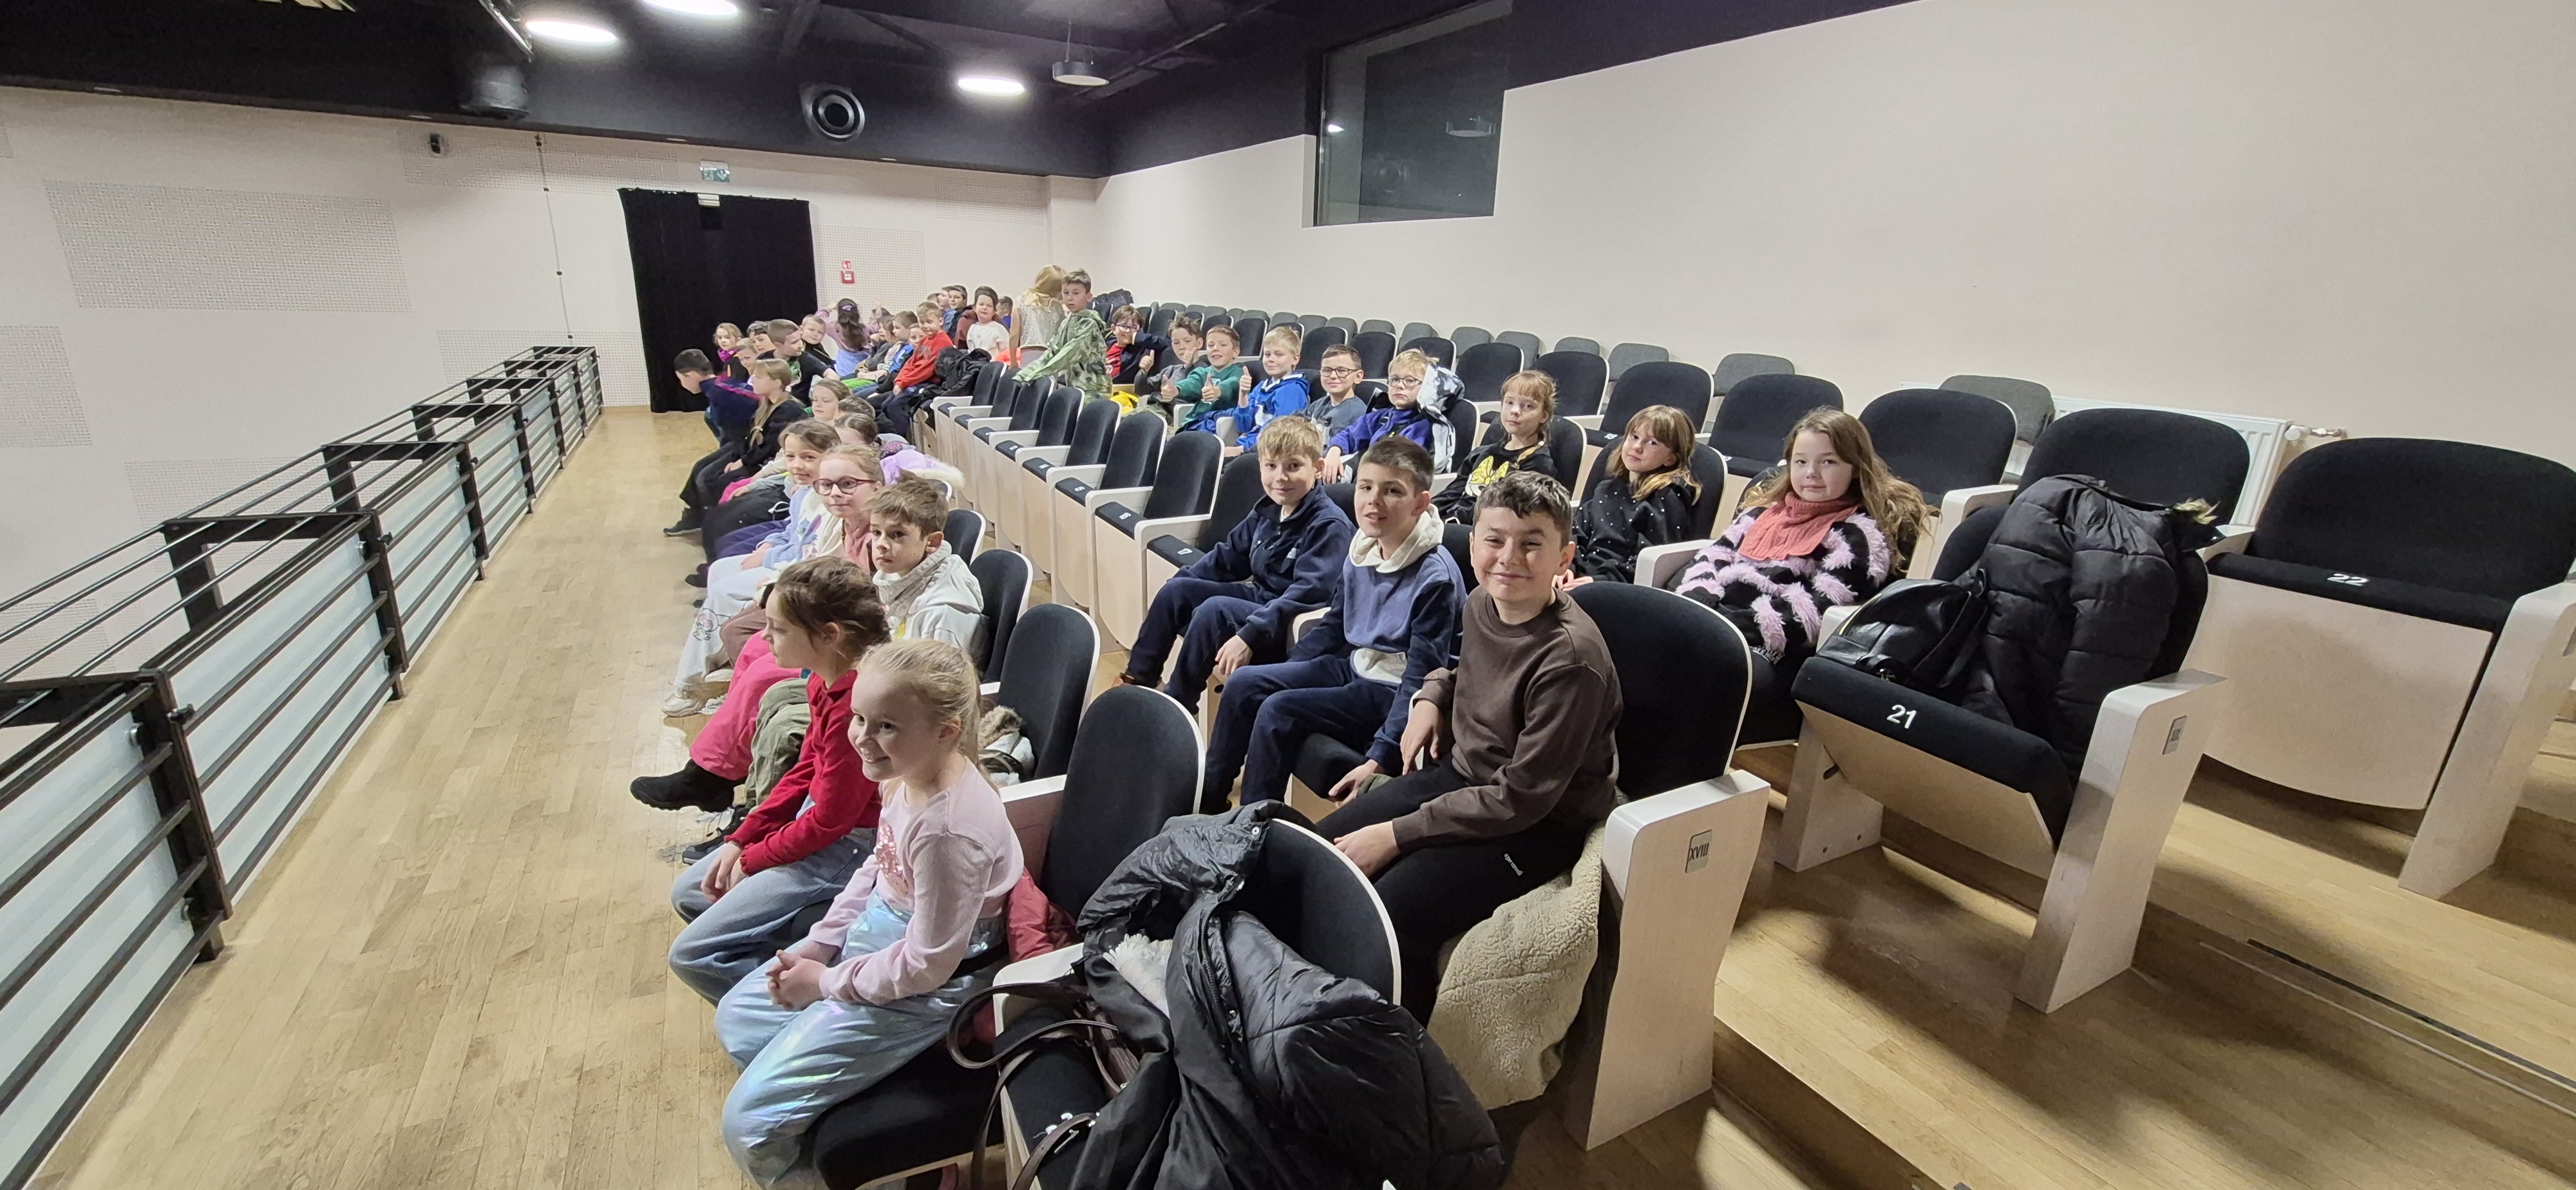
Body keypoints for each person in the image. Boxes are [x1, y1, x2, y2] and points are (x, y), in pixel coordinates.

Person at [714, 639, 1021, 1189]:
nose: (861, 736)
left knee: (749, 1125)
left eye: (886, 726)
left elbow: (927, 965)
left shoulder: (948, 832)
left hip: (931, 985)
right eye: (859, 717)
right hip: (881, 944)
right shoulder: (906, 774)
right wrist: (821, 941)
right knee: (738, 1018)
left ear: (946, 731)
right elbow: (878, 867)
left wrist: (825, 983)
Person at [1316, 470, 1618, 1022]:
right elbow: (1463, 672)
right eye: (1495, 540)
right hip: (1465, 778)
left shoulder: (1572, 661)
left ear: (1564, 557)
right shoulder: (1482, 601)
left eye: (1532, 544)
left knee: (1394, 910)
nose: (1509, 558)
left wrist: (1397, 834)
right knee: (1324, 853)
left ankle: (1397, 1050)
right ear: (1473, 543)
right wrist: (1432, 696)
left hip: (1535, 824)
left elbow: (1521, 799)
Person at [668, 556, 894, 1003]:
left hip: (851, 844)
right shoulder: (823, 681)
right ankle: (775, 980)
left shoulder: (857, 703)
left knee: (691, 955)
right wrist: (743, 838)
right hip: (822, 825)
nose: (765, 636)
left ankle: (792, 1007)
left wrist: (753, 860)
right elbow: (805, 769)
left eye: (779, 628)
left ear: (829, 635)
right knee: (690, 893)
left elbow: (832, 821)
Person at [1201, 436, 1462, 814]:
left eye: (1392, 491)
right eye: (1366, 487)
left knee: (1278, 710)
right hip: (1357, 664)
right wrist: (1288, 671)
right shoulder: (1364, 545)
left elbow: (1422, 677)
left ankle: (1251, 825)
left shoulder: (1435, 578)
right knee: (1245, 683)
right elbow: (1335, 623)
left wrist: (1381, 755)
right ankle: (1210, 802)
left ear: (1420, 503)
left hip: (1391, 687)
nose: (1373, 501)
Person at [637, 445, 885, 807]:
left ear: (877, 486)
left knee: (762, 674)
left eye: (848, 484)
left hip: (855, 646)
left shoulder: (881, 533)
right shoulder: (842, 523)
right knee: (755, 646)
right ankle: (719, 765)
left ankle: (710, 775)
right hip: (833, 626)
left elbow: (874, 606)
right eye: (827, 485)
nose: (835, 493)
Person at [1116, 416, 1351, 712]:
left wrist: (1251, 633)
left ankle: (1177, 704)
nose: (1280, 477)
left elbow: (1308, 594)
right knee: (1177, 590)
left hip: (1290, 622)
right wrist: (1181, 583)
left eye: (1294, 466)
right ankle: (1139, 679)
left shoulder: (1329, 525)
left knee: (1215, 610)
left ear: (1317, 468)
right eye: (1271, 466)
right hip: (1261, 600)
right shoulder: (1268, 509)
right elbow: (1227, 558)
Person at [1669, 407, 1926, 661]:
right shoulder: (1762, 513)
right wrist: (1699, 597)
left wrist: (1727, 624)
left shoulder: (1856, 537)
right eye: (1801, 462)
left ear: (1856, 468)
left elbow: (1814, 613)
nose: (1811, 473)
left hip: (1768, 645)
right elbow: (1713, 556)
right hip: (1715, 619)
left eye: (1828, 462)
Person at [668, 420, 840, 716]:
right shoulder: (804, 492)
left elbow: (811, 556)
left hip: (796, 574)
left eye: (809, 457)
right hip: (785, 561)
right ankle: (720, 665)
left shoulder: (829, 502)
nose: (797, 465)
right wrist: (768, 545)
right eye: (790, 457)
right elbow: (791, 532)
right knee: (720, 569)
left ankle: (690, 684)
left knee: (725, 592)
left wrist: (770, 559)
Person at [668, 357, 808, 537]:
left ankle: (718, 523)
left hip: (766, 460)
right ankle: (702, 517)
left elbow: (769, 447)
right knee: (701, 468)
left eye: (758, 377)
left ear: (776, 383)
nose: (752, 381)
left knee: (714, 478)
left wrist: (743, 461)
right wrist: (740, 456)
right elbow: (751, 437)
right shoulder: (766, 404)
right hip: (750, 451)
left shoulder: (789, 410)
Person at [1567, 404, 1700, 585]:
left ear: (1670, 459)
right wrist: (1566, 567)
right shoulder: (1606, 489)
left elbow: (1649, 562)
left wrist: (1597, 581)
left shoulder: (1665, 498)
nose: (1637, 447)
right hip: (1578, 575)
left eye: (1652, 443)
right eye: (1634, 437)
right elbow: (1577, 533)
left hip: (1615, 585)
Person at [867, 477, 985, 656]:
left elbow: (941, 674)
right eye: (876, 532)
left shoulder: (941, 615)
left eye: (897, 534)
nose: (881, 544)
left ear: (932, 542)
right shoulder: (900, 572)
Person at [1434, 369, 1564, 522]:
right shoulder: (1481, 453)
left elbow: (1509, 514)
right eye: (1509, 403)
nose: (1515, 411)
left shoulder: (1538, 464)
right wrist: (1427, 512)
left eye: (1528, 406)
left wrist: (1455, 522)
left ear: (1544, 416)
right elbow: (1452, 493)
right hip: (1451, 522)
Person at [1320, 349, 1459, 482]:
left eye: (1410, 381)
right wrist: (1334, 452)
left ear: (1426, 387)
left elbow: (1400, 469)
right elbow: (1350, 435)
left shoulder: (1422, 427)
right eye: (1395, 379)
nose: (1400, 386)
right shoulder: (1381, 416)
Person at [1198, 325, 1311, 451]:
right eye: (1267, 354)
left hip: (1264, 452)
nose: (1271, 359)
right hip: (1245, 446)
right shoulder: (1262, 387)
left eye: (1279, 355)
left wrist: (1241, 449)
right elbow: (1243, 426)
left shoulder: (1291, 391)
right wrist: (1243, 395)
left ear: (1295, 359)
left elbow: (1279, 435)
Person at [1015, 269, 1107, 395]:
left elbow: (1069, 353)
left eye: (1076, 293)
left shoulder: (1090, 324)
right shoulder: (1067, 322)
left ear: (1088, 296)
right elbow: (1054, 350)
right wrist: (1027, 372)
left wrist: (1036, 372)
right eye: (1066, 293)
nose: (1070, 298)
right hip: (1075, 384)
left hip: (1093, 387)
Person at [1162, 323, 1245, 428]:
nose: (1215, 348)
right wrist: (1176, 389)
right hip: (1193, 422)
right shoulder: (1202, 372)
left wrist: (1217, 390)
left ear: (1236, 352)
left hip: (1217, 424)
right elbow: (1192, 382)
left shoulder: (1238, 372)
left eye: (1223, 345)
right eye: (1211, 345)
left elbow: (1233, 383)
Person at [1144, 316, 1206, 424]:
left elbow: (1195, 389)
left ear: (1199, 343)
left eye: (1187, 341)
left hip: (1173, 419)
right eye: (1176, 343)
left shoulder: (1205, 371)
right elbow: (1142, 390)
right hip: (1154, 412)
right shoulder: (1170, 370)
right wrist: (1143, 371)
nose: (1181, 347)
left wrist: (1190, 366)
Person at [1299, 343, 1370, 437]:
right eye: (1327, 370)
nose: (1333, 376)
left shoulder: (1358, 416)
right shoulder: (1318, 405)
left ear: (1358, 376)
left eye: (1342, 371)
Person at [887, 303, 952, 395]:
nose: (925, 326)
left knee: (895, 401)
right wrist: (899, 381)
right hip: (914, 381)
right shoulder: (924, 340)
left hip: (930, 384)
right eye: (922, 322)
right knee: (880, 400)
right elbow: (911, 363)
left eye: (929, 322)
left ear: (941, 321)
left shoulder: (942, 341)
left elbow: (926, 369)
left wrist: (903, 383)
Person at [1007, 266, 1065, 366]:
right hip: (1052, 355)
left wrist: (1013, 361)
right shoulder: (1057, 308)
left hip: (1029, 354)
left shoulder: (1022, 302)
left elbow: (1014, 335)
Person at [961, 291, 1009, 357]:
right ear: (974, 308)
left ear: (994, 311)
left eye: (989, 306)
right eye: (981, 304)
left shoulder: (999, 329)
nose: (985, 308)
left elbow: (1006, 353)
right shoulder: (973, 328)